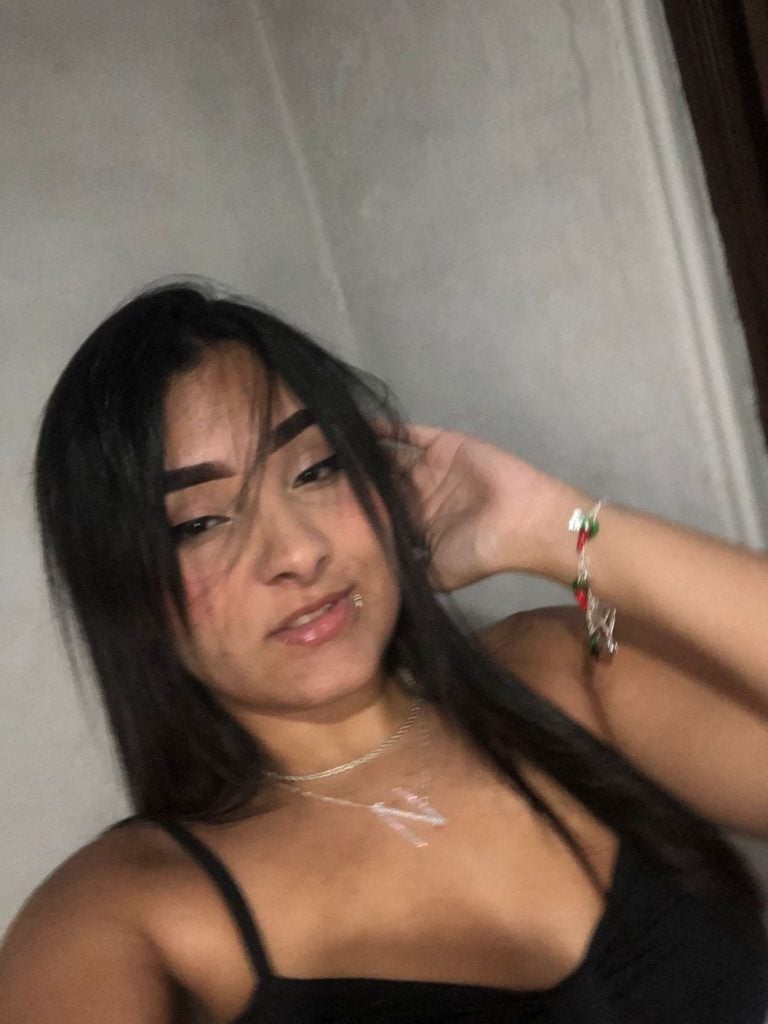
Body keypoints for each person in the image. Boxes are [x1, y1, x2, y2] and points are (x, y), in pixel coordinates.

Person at [2, 280, 768, 1024]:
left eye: (315, 470)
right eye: (199, 524)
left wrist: (551, 526)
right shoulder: (120, 916)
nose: (297, 552)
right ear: (123, 591)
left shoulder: (568, 664)